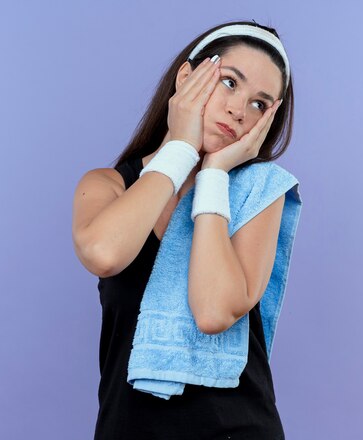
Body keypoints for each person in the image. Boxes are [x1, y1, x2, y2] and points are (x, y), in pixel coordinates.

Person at [72, 19, 294, 440]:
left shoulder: (260, 192)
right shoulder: (107, 186)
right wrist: (181, 150)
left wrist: (213, 175)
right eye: (230, 83)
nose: (238, 110)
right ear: (188, 77)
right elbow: (104, 254)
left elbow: (213, 312)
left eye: (259, 105)